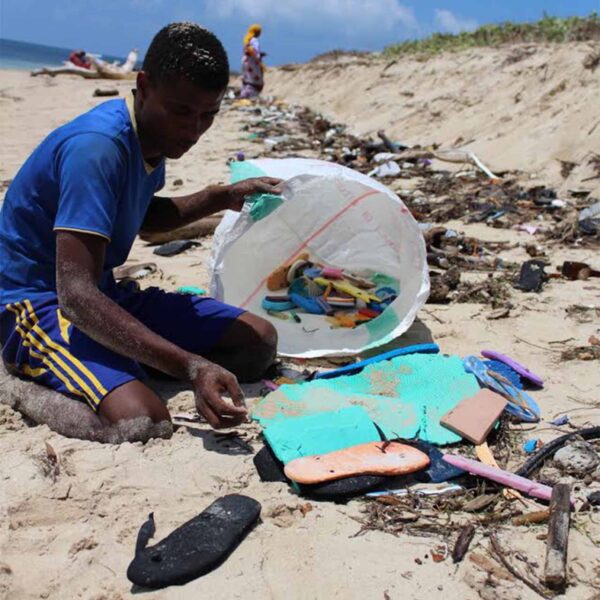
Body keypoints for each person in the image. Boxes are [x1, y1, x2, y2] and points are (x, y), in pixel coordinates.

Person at [0, 23, 282, 441]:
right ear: (143, 86)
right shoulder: (97, 148)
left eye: (208, 115)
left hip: (99, 293)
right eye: (183, 112)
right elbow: (75, 297)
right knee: (142, 421)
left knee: (257, 344)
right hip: (38, 303)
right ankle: (16, 386)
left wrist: (220, 197)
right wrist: (190, 365)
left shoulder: (150, 136)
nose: (193, 131)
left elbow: (143, 218)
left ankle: (119, 366)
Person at [240, 23, 265, 99]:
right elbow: (255, 52)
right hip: (253, 62)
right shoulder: (254, 40)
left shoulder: (247, 39)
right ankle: (251, 96)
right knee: (255, 80)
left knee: (247, 78)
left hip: (245, 61)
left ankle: (244, 95)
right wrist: (260, 56)